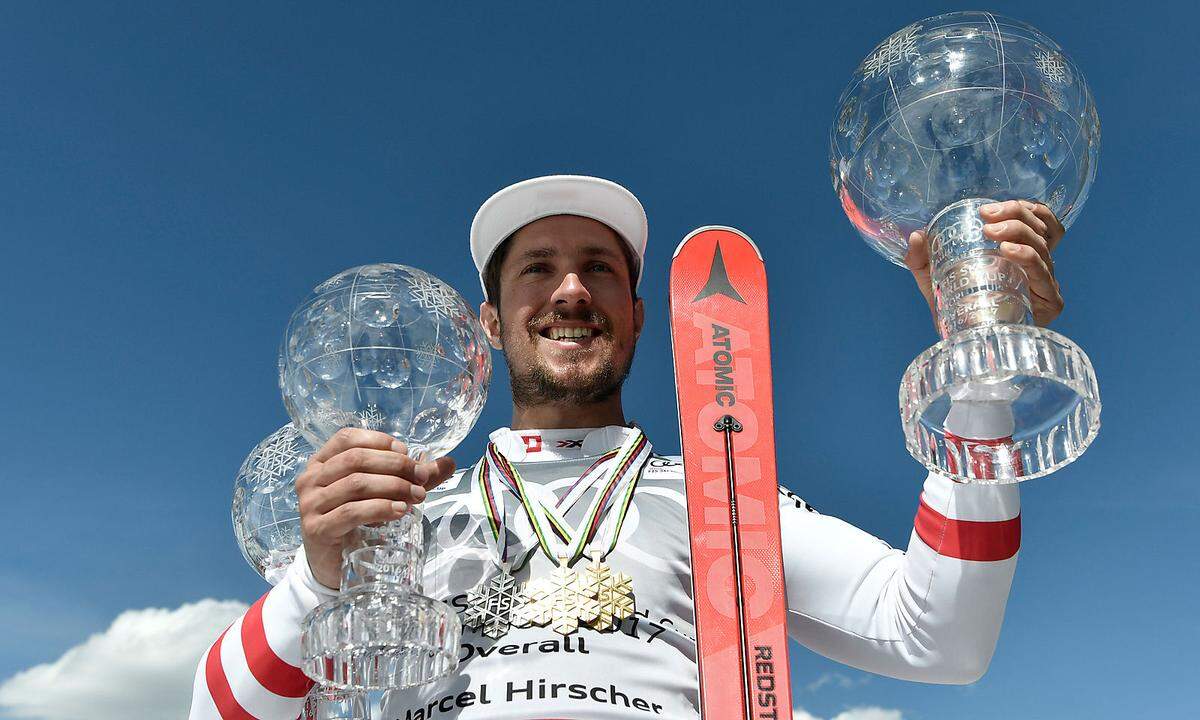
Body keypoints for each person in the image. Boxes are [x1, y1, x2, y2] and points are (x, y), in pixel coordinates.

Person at [190, 175, 1066, 719]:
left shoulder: (723, 502)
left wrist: (979, 365)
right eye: (537, 268)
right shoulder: (405, 522)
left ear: (642, 317)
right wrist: (318, 575)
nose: (570, 289)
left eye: (599, 268)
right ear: (488, 326)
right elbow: (219, 715)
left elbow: (944, 637)